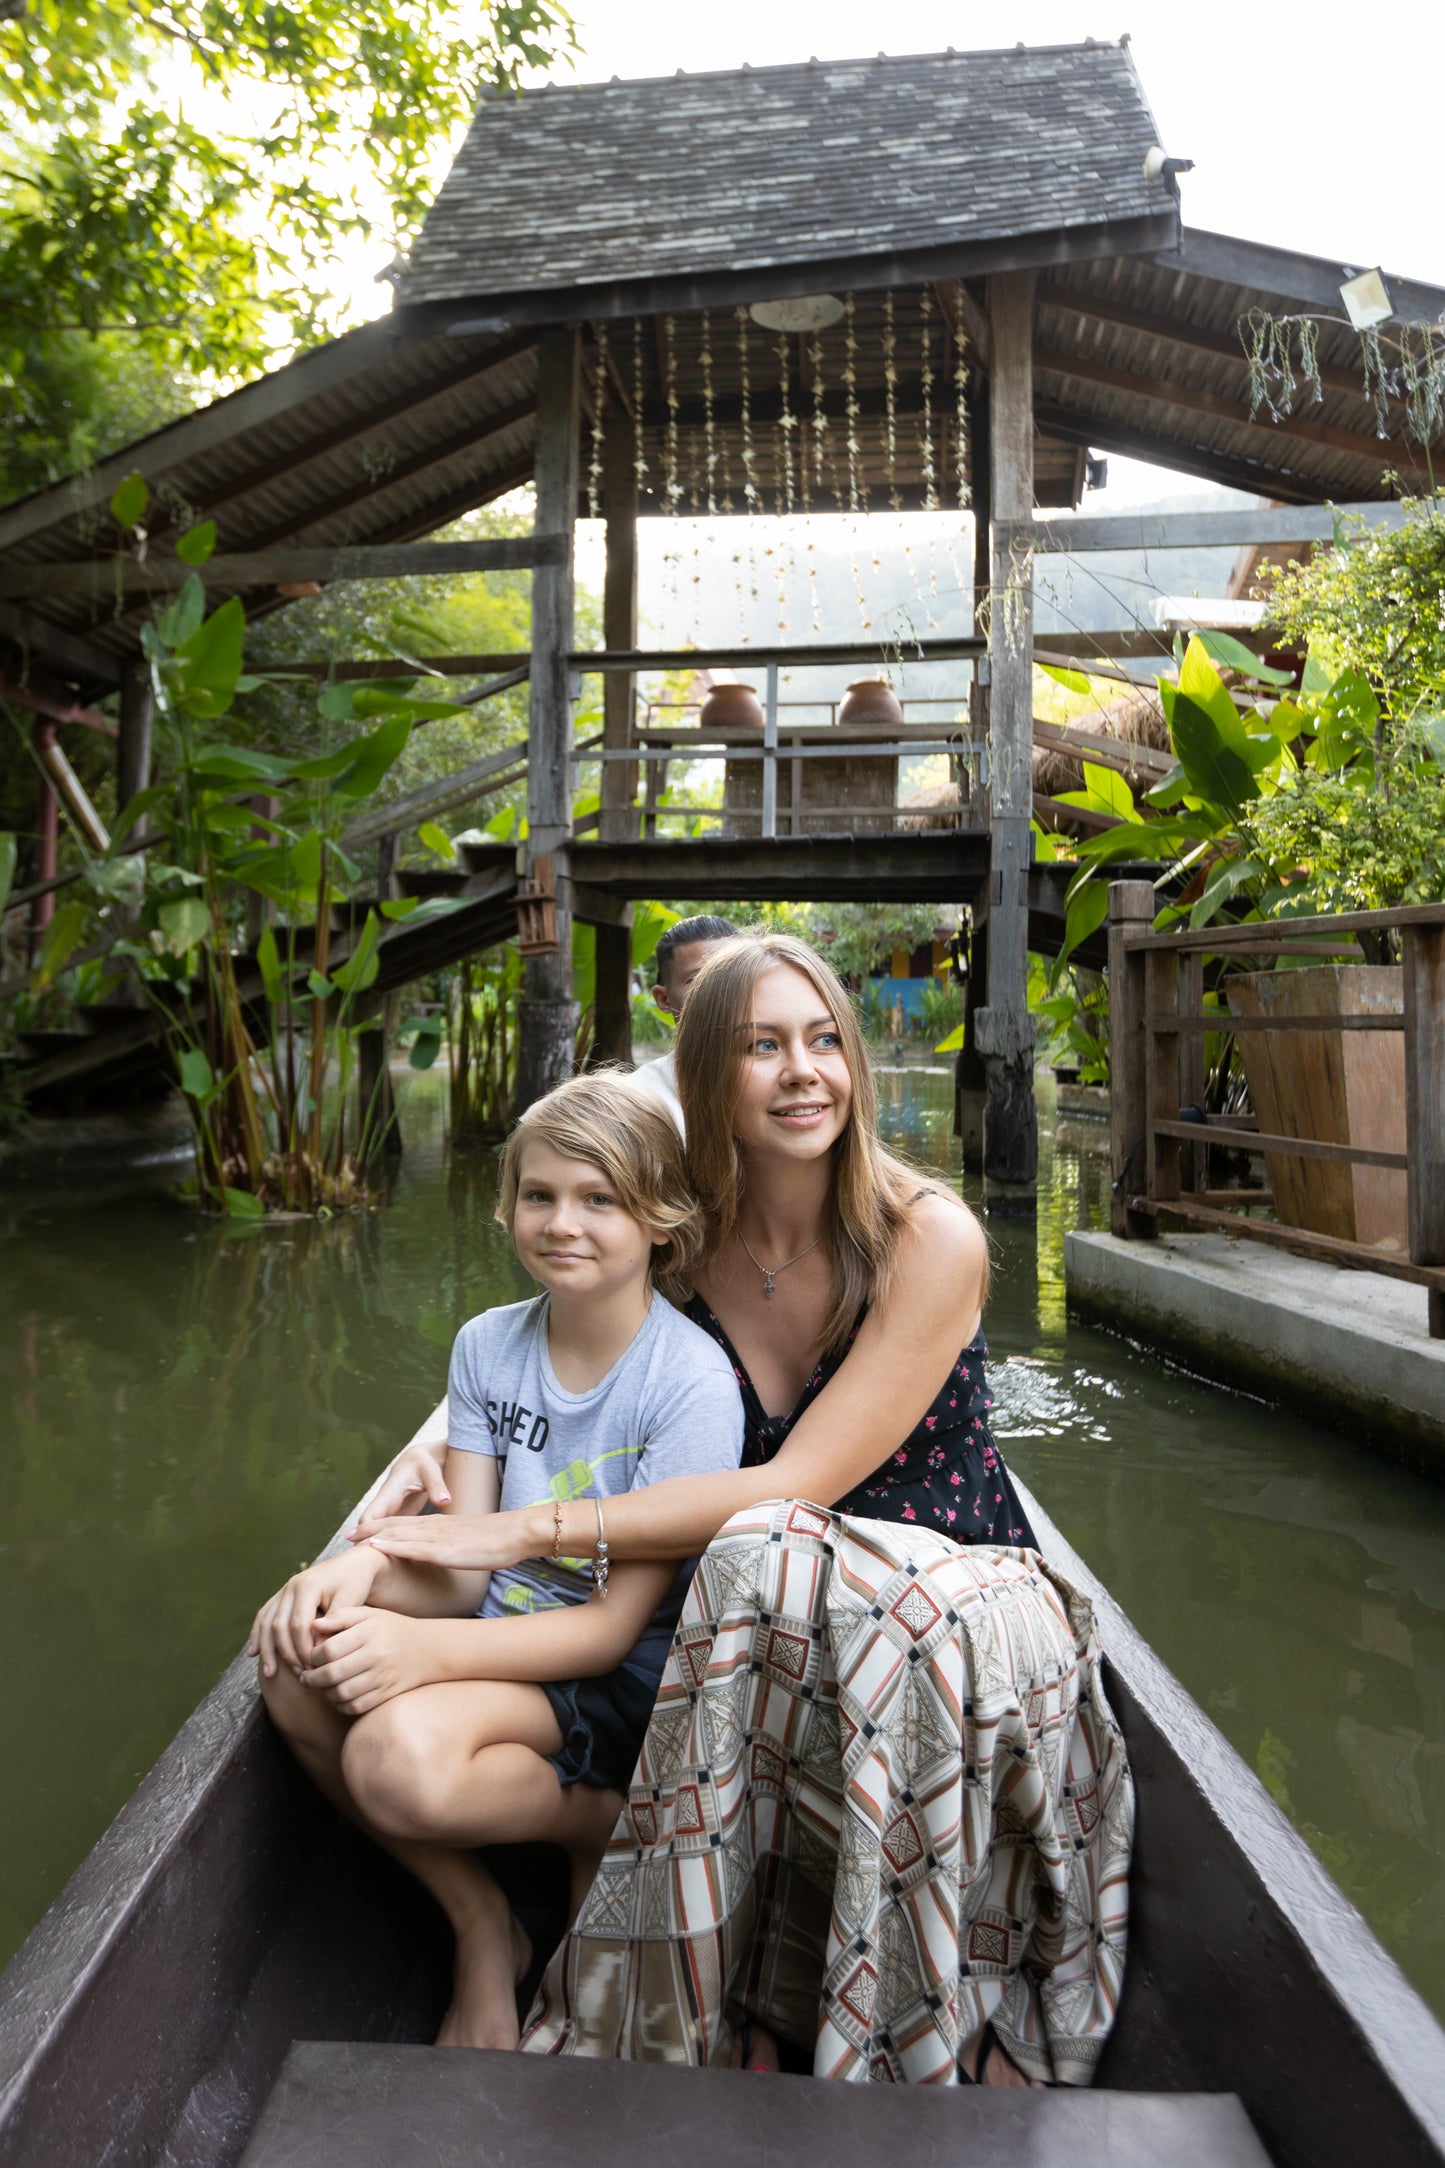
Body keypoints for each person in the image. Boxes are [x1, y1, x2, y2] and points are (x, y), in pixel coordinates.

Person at [360, 934, 1133, 2087]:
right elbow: (543, 1336)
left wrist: (524, 1528)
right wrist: (426, 1457)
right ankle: (751, 1980)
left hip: (959, 1597)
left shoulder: (926, 1237)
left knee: (774, 1558)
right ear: (705, 1071)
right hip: (775, 1622)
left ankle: (914, 2001)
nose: (803, 1070)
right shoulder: (682, 1245)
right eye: (763, 1045)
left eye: (824, 1040)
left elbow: (797, 1485)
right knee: (757, 1577)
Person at [249, 1075, 745, 2051]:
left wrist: (420, 1656)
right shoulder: (487, 1345)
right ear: (507, 1204)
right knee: (289, 1655)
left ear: (660, 1218)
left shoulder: (688, 1382)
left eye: (598, 1198)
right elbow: (466, 1566)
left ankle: (592, 1818)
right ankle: (482, 1921)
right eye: (539, 1194)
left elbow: (606, 1628)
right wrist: (358, 1567)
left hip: (610, 1672)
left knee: (395, 1763)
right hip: (496, 1629)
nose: (563, 1221)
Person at [628, 913, 738, 1135]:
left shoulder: (793, 1076)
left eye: (735, 974)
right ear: (663, 999)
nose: (722, 990)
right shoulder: (640, 1099)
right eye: (699, 980)